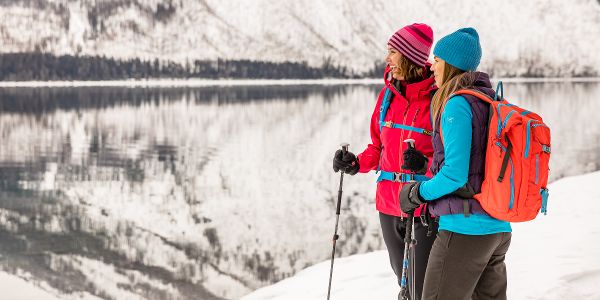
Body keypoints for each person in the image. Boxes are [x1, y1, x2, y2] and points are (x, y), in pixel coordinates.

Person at [399, 27, 512, 300]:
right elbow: (477, 164)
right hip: (497, 228)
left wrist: (417, 193)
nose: (433, 66)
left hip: (465, 230)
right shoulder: (489, 101)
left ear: (450, 64)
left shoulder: (457, 104)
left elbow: (455, 174)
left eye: (437, 60)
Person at [333, 23, 438, 300]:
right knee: (401, 279)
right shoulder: (387, 96)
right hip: (389, 204)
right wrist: (355, 163)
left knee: (420, 286)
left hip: (423, 204)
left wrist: (424, 163)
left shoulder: (438, 99)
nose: (387, 58)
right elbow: (378, 148)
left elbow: (449, 158)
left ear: (409, 57)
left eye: (392, 52)